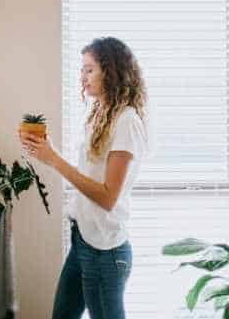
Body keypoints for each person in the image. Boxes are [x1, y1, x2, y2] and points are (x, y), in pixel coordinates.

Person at [19, 37, 151, 319]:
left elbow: (107, 197)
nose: (83, 76)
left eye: (89, 69)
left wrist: (53, 159)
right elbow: (89, 173)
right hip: (82, 241)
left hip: (105, 251)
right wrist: (46, 150)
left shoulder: (126, 121)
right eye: (82, 69)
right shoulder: (100, 113)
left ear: (111, 72)